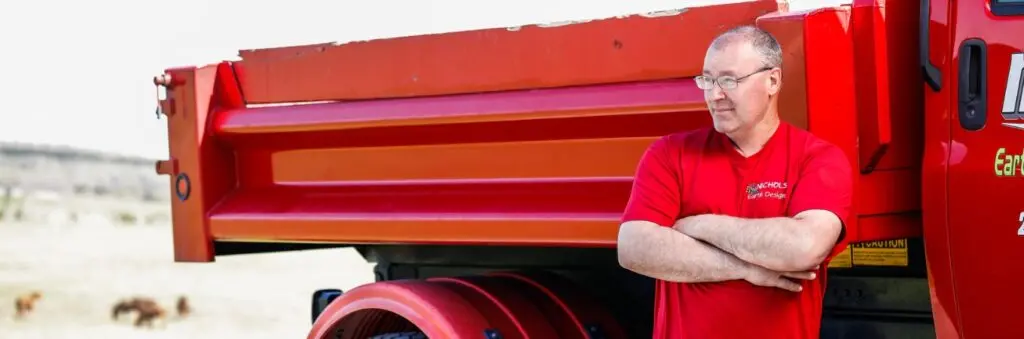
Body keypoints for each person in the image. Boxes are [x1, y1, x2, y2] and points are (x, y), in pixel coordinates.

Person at [616, 25, 853, 339]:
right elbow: (634, 248)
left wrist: (698, 225)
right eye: (708, 80)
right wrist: (748, 269)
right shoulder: (670, 154)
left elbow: (803, 248)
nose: (715, 94)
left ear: (773, 81)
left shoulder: (818, 159)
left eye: (729, 80)